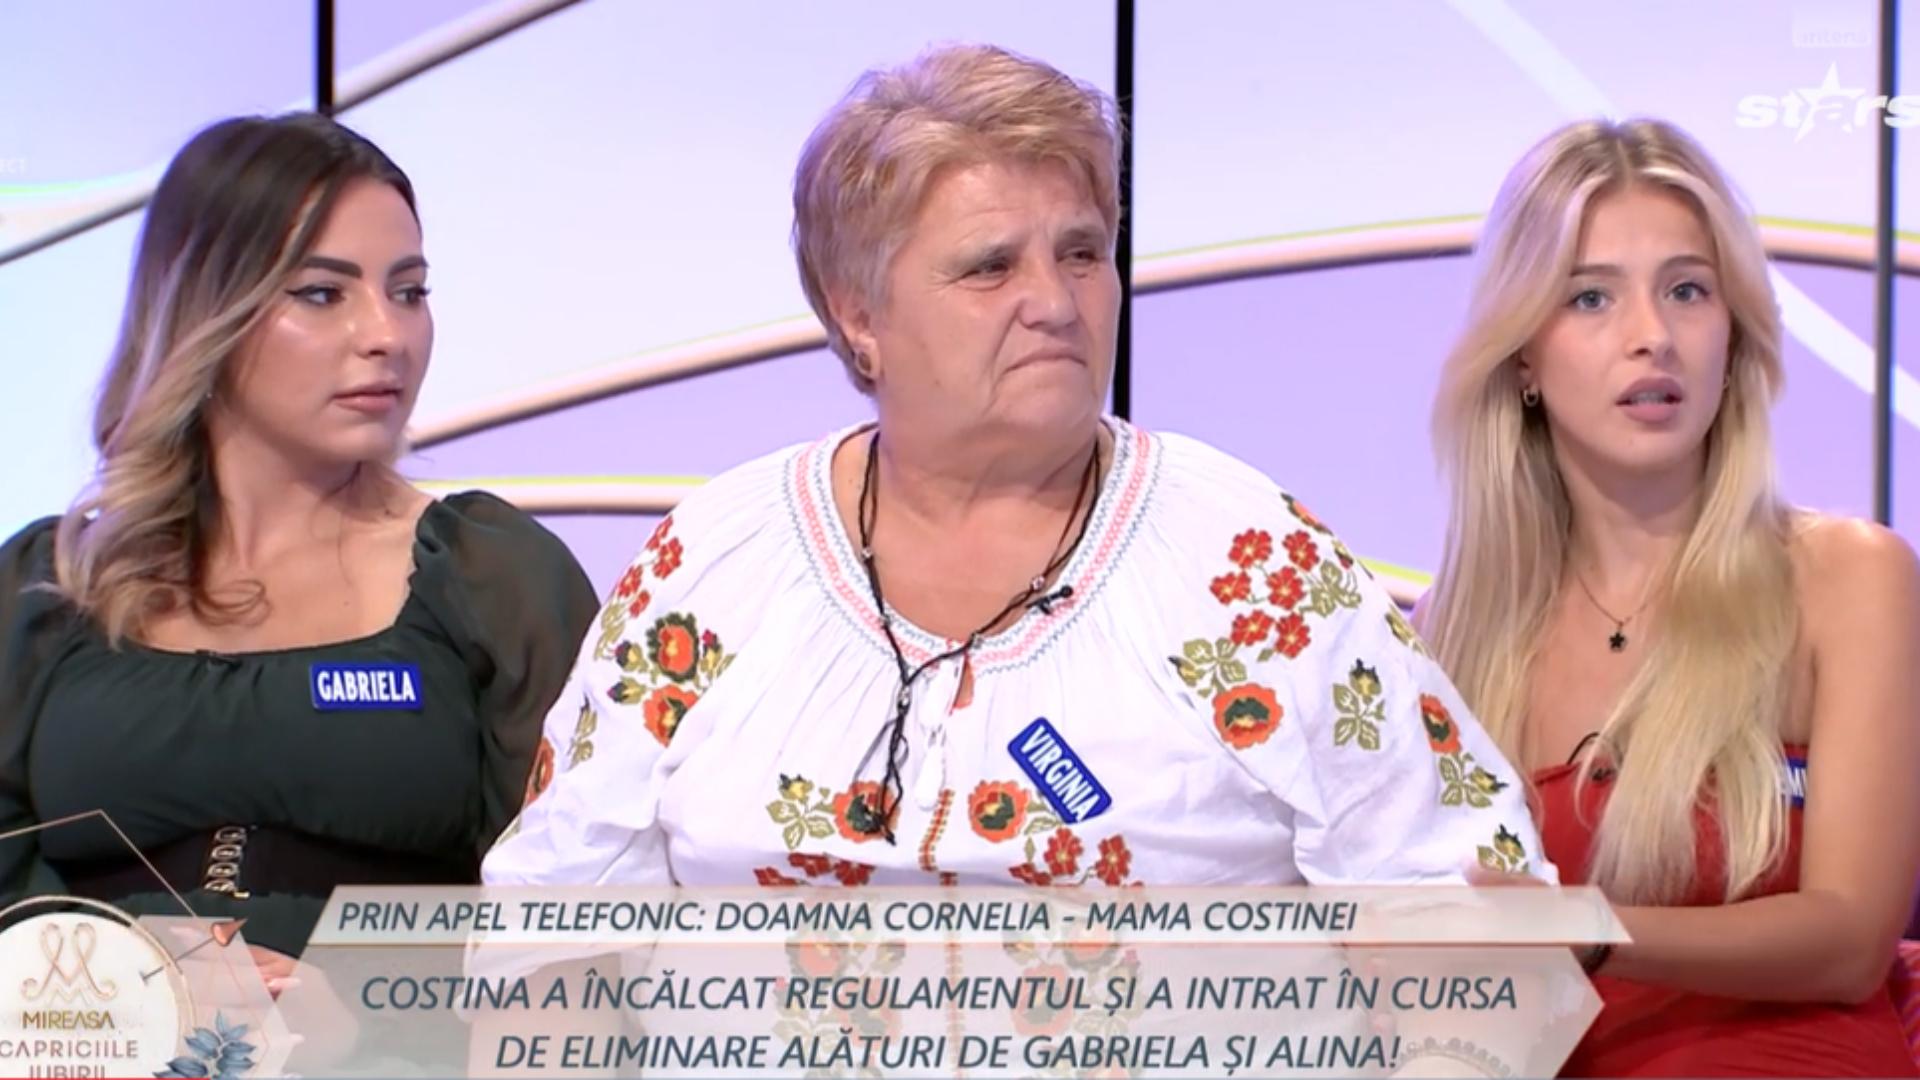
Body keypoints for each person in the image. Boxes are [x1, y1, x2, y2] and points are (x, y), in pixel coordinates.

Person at [482, 45, 1548, 897]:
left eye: (1081, 253)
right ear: (859, 317)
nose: (1054, 302)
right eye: (991, 267)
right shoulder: (711, 565)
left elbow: (1469, 913)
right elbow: (553, 927)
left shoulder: (1255, 564)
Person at [0, 114, 598, 986]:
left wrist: (362, 1004)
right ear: (209, 310)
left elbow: (569, 929)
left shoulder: (492, 578)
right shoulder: (46, 590)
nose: (386, 334)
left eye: (410, 291)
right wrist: (125, 986)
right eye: (323, 294)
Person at [1418, 117, 1920, 1076]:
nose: (1652, 337)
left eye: (1688, 290)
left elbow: (1852, 939)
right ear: (1522, 356)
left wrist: (1589, 929)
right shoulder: (1450, 636)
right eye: (1591, 297)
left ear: (1734, 333)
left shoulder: (1850, 577)